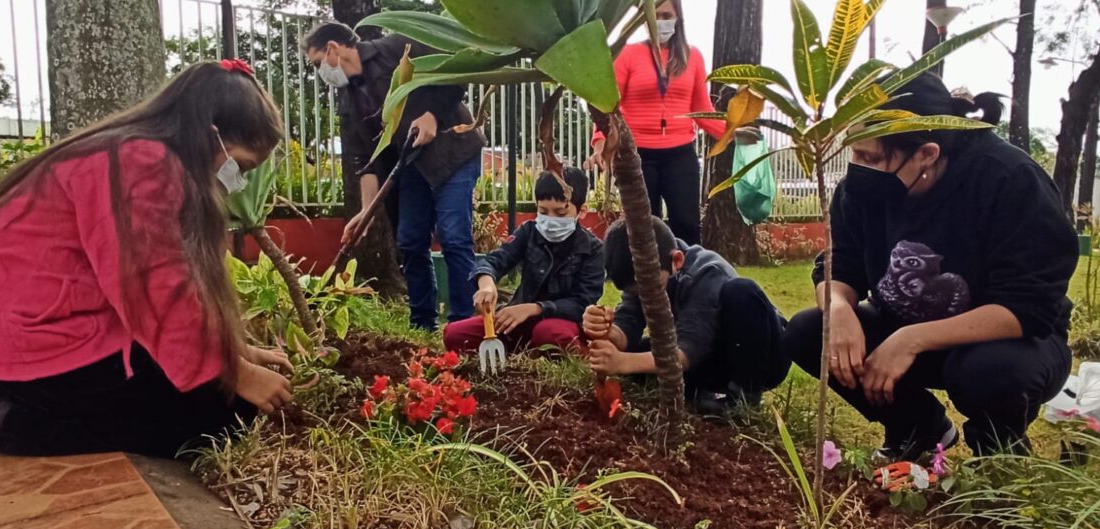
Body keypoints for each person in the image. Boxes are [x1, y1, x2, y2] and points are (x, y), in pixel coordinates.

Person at [0, 61, 295, 458]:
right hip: (28, 339)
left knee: (206, 389)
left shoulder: (128, 152)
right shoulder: (141, 164)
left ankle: (19, 408)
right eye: (241, 165)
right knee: (221, 413)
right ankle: (4, 425)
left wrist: (233, 353)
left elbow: (167, 290)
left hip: (21, 329)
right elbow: (155, 289)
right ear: (212, 135)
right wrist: (238, 373)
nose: (238, 181)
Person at [782, 74, 1078, 460]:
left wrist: (911, 340)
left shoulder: (1009, 180)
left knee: (990, 370)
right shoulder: (864, 190)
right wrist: (838, 308)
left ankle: (1000, 457)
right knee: (810, 332)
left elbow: (1027, 308)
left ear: (927, 153)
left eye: (870, 157)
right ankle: (919, 428)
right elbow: (839, 266)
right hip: (901, 327)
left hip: (1008, 342)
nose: (857, 168)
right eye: (853, 153)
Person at [303, 22, 486, 331]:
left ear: (333, 49)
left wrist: (432, 115)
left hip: (453, 152)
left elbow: (455, 70)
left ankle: (462, 324)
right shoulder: (349, 101)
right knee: (411, 240)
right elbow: (365, 158)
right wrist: (365, 211)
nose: (321, 72)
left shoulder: (395, 49)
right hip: (411, 164)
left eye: (318, 63)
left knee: (453, 235)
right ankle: (422, 323)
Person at [583, 220, 789, 416]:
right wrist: (608, 331)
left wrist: (622, 363)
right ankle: (700, 393)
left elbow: (688, 352)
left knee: (741, 291)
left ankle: (744, 399)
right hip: (708, 352)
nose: (644, 296)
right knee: (636, 354)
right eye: (636, 293)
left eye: (648, 289)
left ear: (677, 260)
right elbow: (629, 322)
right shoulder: (646, 273)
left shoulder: (705, 272)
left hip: (759, 354)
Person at [585, 0, 725, 246]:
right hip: (637, 154)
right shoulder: (627, 54)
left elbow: (702, 111)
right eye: (655, 15)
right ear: (645, 19)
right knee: (645, 226)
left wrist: (734, 131)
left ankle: (687, 279)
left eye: (667, 15)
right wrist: (599, 143)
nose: (661, 21)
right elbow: (608, 107)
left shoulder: (692, 58)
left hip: (680, 154)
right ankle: (646, 282)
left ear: (678, 18)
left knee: (687, 222)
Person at [443, 167, 604, 354]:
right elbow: (496, 260)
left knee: (549, 334)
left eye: (560, 214)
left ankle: (570, 349)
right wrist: (486, 284)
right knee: (454, 334)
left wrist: (534, 308)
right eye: (543, 211)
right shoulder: (528, 232)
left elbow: (582, 302)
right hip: (517, 321)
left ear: (582, 211)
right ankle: (521, 348)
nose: (550, 220)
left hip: (560, 323)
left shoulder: (593, 249)